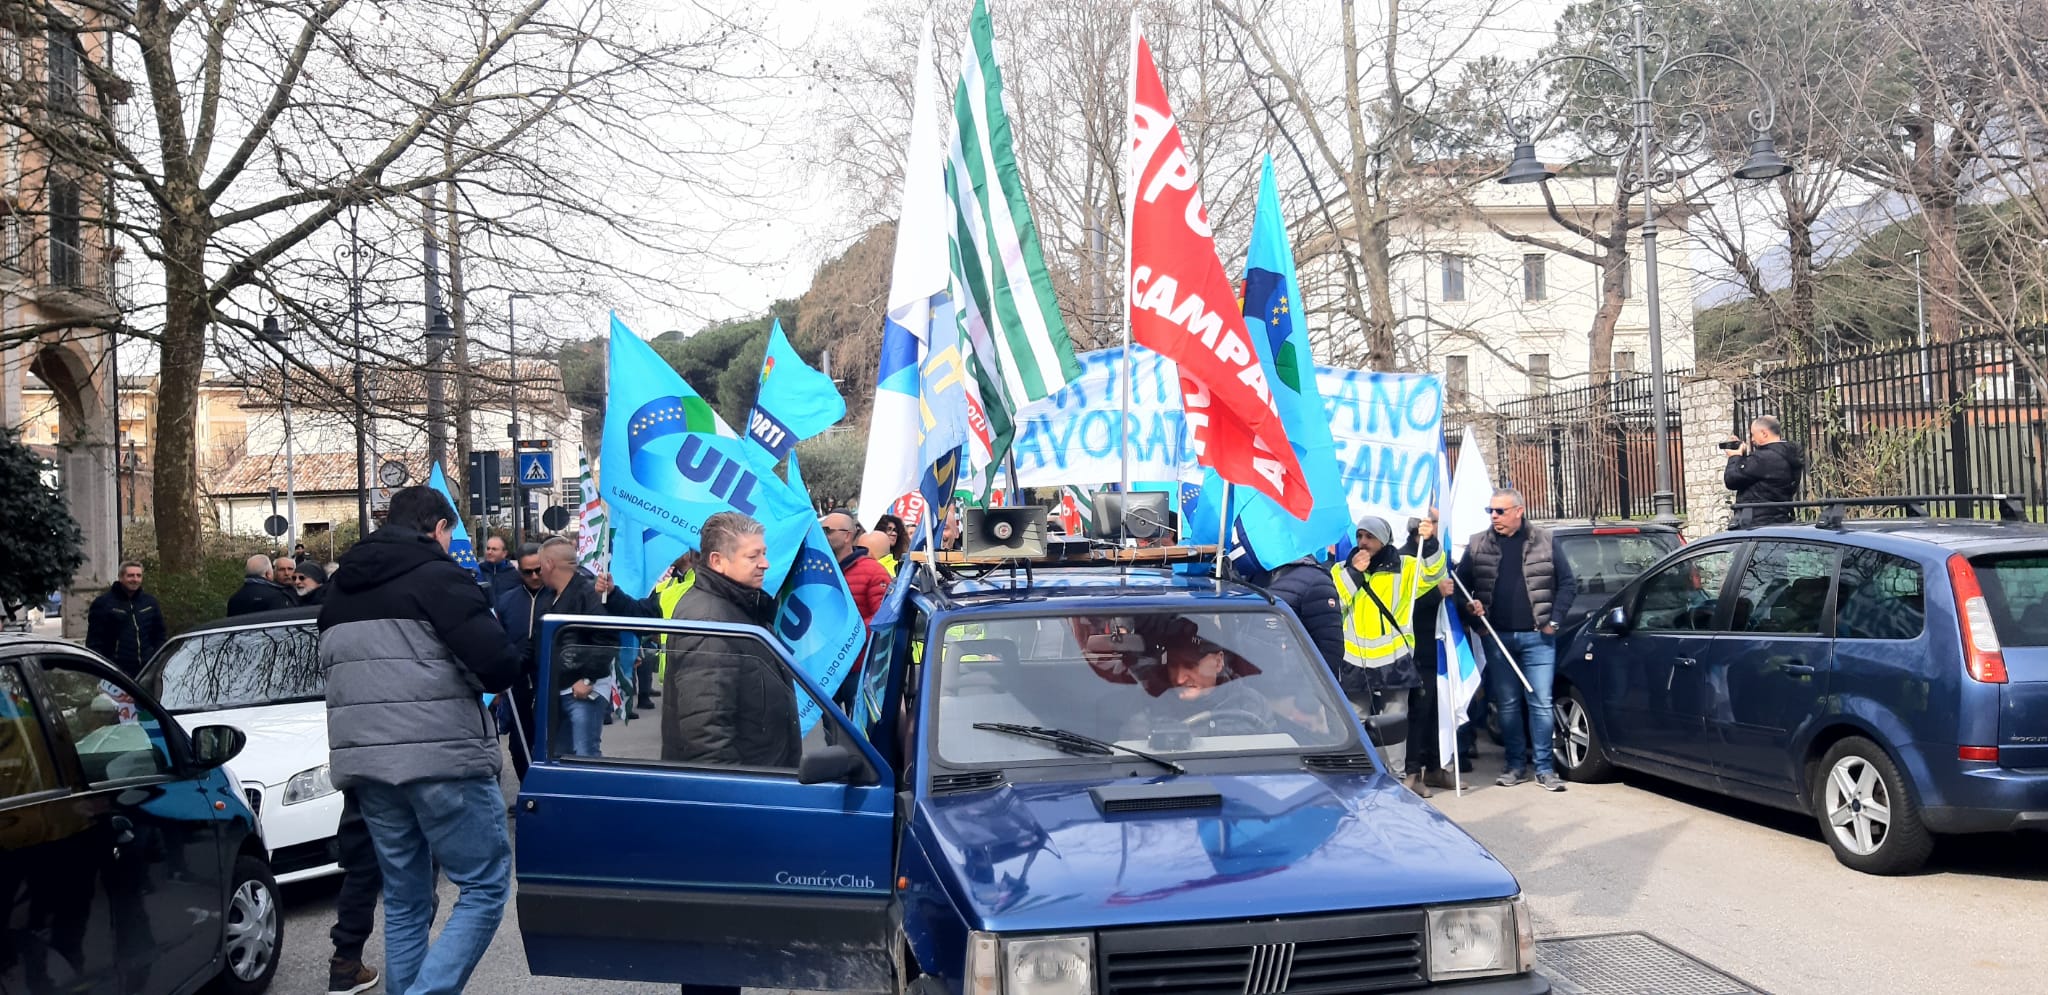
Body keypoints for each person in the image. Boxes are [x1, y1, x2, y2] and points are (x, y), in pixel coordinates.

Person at [316, 484, 521, 995]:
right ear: (438, 528)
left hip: (369, 767)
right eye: (450, 533)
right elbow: (497, 666)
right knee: (484, 886)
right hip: (442, 759)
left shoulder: (339, 590)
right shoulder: (439, 578)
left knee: (407, 901)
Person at [663, 512, 798, 768]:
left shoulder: (739, 607)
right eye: (753, 556)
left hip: (761, 778)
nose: (765, 563)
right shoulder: (710, 622)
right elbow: (706, 732)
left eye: (764, 553)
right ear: (717, 561)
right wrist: (734, 795)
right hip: (745, 790)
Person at [1457, 487, 1565, 792]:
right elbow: (1461, 587)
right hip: (1498, 638)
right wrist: (1472, 615)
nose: (1494, 517)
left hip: (1538, 639)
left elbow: (1568, 583)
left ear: (1519, 510)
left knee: (1541, 702)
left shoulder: (1546, 540)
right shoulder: (1478, 544)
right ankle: (1515, 765)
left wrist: (1553, 620)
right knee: (1507, 704)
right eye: (1490, 511)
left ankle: (1545, 768)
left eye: (1500, 511)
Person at [1334, 516, 1446, 780]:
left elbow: (1434, 573)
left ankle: (1395, 777)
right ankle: (1361, 773)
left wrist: (1429, 543)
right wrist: (1353, 574)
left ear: (1383, 539)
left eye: (1369, 537)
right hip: (1354, 659)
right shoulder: (1341, 569)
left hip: (1394, 658)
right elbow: (1334, 602)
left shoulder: (1405, 567)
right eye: (1359, 536)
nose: (1363, 542)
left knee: (1395, 723)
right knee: (1356, 721)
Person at [534, 537, 615, 758]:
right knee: (560, 755)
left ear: (550, 564)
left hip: (582, 689)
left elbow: (608, 638)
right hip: (557, 688)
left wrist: (588, 678)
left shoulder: (587, 594)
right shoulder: (547, 598)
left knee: (585, 755)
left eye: (540, 565)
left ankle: (591, 793)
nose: (538, 572)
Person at [594, 552, 697, 711]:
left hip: (702, 678)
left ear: (689, 553)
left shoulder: (709, 585)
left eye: (674, 544)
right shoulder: (668, 587)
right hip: (675, 681)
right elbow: (638, 614)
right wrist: (612, 593)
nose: (667, 549)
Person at [1399, 515, 1457, 794]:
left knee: (1436, 711)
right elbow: (1405, 606)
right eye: (1432, 521)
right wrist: (1436, 594)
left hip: (1437, 647)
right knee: (1417, 713)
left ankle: (1435, 768)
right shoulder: (1402, 560)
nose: (1436, 524)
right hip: (1415, 648)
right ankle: (1414, 772)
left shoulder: (1435, 555)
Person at [495, 544, 548, 778]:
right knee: (518, 747)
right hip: (517, 685)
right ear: (519, 571)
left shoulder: (559, 596)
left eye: (538, 570)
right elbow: (498, 640)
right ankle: (528, 792)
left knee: (549, 747)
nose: (535, 576)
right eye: (528, 572)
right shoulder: (506, 601)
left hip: (550, 683)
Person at [326, 792, 383, 995]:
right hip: (403, 770)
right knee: (416, 870)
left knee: (361, 869)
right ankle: (411, 961)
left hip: (357, 770)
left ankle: (346, 962)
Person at [85, 561, 166, 677]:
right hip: (118, 672)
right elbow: (94, 642)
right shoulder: (103, 603)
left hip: (148, 670)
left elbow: (160, 634)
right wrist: (105, 669)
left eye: (138, 576)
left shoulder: (150, 602)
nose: (135, 579)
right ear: (121, 577)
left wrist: (156, 659)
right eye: (130, 575)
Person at [1724, 414, 1807, 526]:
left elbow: (1732, 480)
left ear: (1764, 433)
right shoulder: (1787, 455)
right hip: (1779, 519)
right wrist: (1742, 456)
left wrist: (1734, 457)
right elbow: (1753, 476)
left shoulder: (1763, 458)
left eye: (1753, 435)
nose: (1752, 439)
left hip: (1756, 524)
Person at [822, 511, 891, 622]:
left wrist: (854, 634)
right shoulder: (819, 568)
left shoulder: (874, 572)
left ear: (847, 536)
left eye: (828, 531)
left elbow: (882, 617)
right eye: (820, 531)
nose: (823, 536)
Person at [227, 554, 297, 615]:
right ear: (269, 573)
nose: (286, 573)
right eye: (281, 569)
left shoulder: (234, 599)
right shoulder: (277, 597)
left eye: (290, 569)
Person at [476, 535, 521, 602]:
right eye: (488, 548)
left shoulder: (515, 575)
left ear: (504, 553)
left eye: (494, 549)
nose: (489, 552)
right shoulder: (478, 572)